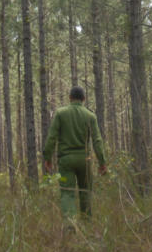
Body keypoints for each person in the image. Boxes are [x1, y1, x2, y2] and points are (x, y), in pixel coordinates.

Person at [42, 86, 107, 218]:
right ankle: (86, 222)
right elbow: (97, 141)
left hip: (66, 162)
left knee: (67, 192)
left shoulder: (60, 113)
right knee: (85, 191)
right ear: (84, 99)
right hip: (85, 160)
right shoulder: (90, 116)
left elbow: (51, 137)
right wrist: (102, 162)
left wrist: (47, 157)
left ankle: (70, 224)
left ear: (70, 98)